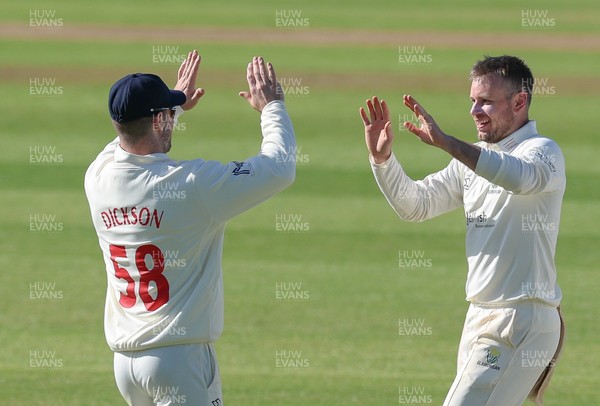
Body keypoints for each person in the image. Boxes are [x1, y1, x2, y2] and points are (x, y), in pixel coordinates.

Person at [84, 51, 296, 406]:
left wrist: (173, 107)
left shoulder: (97, 176)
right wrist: (272, 108)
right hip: (179, 360)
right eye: (166, 113)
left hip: (125, 363)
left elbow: (132, 141)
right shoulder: (192, 185)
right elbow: (279, 168)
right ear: (157, 120)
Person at [359, 55, 565, 405]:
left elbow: (518, 178)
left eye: (486, 101)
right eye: (472, 100)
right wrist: (383, 160)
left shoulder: (543, 152)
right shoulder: (473, 161)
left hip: (520, 319)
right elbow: (416, 205)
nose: (475, 111)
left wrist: (448, 143)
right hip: (479, 317)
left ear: (519, 102)